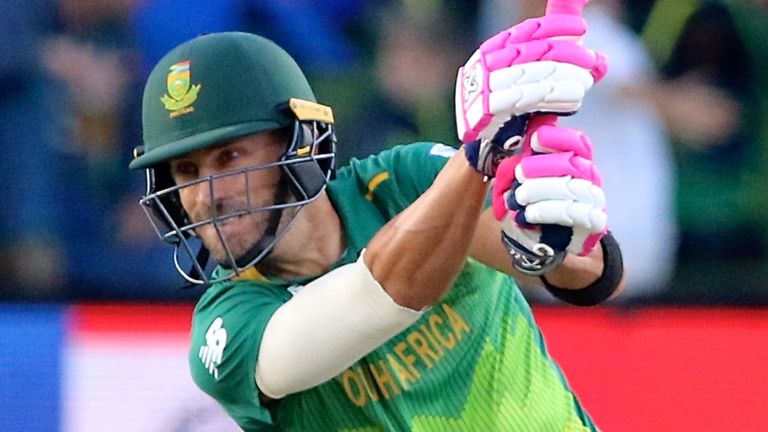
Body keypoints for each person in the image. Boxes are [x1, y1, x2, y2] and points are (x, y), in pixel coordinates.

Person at [129, 11, 624, 431]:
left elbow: (583, 273)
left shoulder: (403, 180)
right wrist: (478, 157)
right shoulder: (226, 327)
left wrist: (556, 242)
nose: (204, 197)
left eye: (230, 157)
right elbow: (376, 298)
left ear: (299, 144)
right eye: (187, 172)